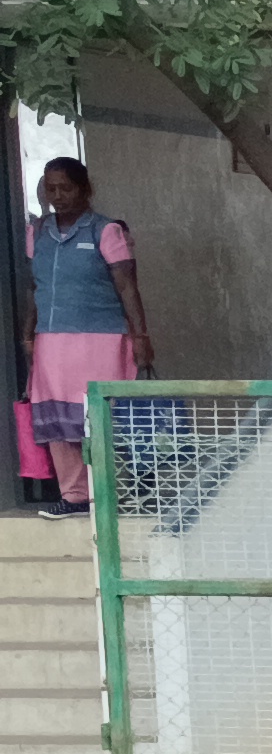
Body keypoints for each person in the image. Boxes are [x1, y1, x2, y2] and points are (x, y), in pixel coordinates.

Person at [21, 158, 149, 517]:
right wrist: (28, 334)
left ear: (85, 189)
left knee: (100, 418)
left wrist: (141, 335)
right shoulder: (37, 233)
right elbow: (34, 287)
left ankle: (117, 492)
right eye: (51, 189)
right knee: (58, 418)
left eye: (66, 188)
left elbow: (127, 287)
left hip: (102, 339)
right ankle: (76, 496)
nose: (58, 196)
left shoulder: (105, 231)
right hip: (51, 341)